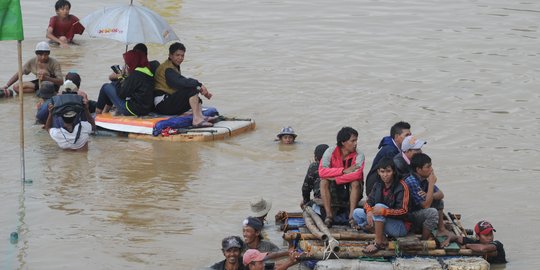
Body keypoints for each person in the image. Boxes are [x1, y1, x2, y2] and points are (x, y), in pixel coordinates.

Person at [352, 157, 411, 253]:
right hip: (382, 220)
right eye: (382, 172)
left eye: (388, 171)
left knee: (379, 207)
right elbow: (368, 202)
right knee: (356, 213)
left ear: (394, 172)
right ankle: (382, 237)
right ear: (378, 172)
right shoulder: (378, 185)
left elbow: (404, 211)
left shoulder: (402, 186)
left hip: (400, 226)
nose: (385, 175)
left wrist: (384, 211)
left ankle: (378, 243)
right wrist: (369, 211)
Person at [153, 42, 214, 127]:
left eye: (182, 56)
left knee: (196, 96)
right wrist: (199, 85)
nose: (180, 58)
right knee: (192, 90)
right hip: (162, 104)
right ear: (170, 55)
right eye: (177, 55)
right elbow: (180, 82)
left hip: (168, 101)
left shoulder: (173, 66)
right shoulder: (167, 69)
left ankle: (200, 117)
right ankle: (196, 120)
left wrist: (199, 87)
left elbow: (182, 82)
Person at [318, 127, 365, 228]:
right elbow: (322, 172)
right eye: (353, 141)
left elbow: (357, 174)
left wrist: (336, 178)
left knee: (356, 182)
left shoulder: (359, 154)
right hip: (335, 188)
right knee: (323, 182)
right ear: (343, 142)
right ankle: (329, 216)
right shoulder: (329, 152)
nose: (356, 143)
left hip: (351, 187)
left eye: (356, 140)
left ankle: (351, 216)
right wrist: (342, 171)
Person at [404, 153, 450, 241]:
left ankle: (441, 229)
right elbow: (426, 206)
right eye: (428, 167)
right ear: (418, 169)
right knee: (432, 212)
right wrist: (431, 184)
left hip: (419, 211)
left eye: (431, 166)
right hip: (409, 216)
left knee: (439, 202)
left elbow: (441, 194)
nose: (431, 169)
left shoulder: (424, 178)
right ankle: (424, 240)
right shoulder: (411, 181)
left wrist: (429, 194)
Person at [95, 50, 154, 116]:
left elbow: (122, 94)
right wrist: (126, 77)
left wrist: (120, 76)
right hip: (145, 108)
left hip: (133, 110)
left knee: (105, 87)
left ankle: (98, 114)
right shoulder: (146, 71)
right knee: (113, 84)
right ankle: (105, 112)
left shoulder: (135, 75)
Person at [365, 121, 411, 196]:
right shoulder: (390, 151)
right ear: (396, 137)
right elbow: (397, 173)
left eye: (410, 135)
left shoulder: (398, 148)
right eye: (407, 135)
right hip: (375, 187)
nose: (410, 138)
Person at [300, 144, 329, 209]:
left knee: (305, 205)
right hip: (340, 202)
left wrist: (306, 202)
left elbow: (305, 189)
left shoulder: (314, 166)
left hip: (322, 203)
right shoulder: (337, 165)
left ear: (315, 157)